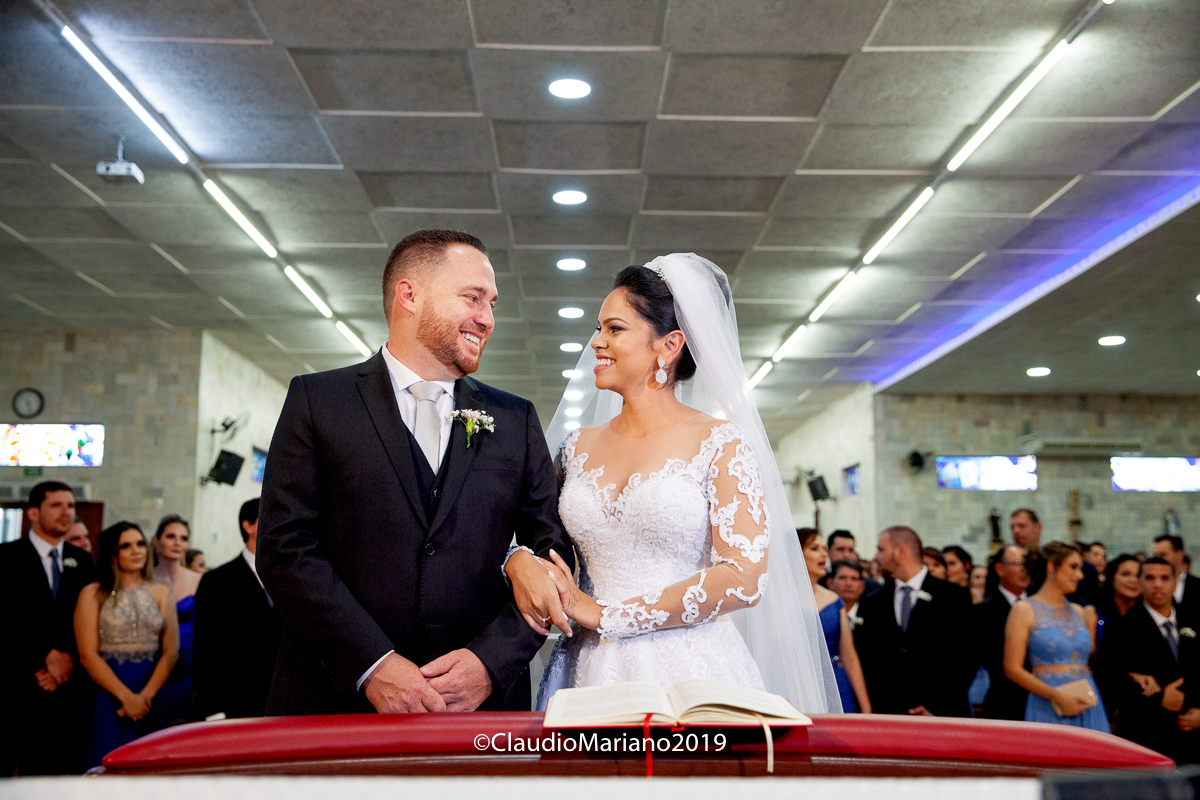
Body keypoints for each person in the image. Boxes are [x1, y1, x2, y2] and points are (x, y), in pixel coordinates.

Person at [259, 229, 574, 715]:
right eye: (472, 297)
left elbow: (551, 555)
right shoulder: (318, 402)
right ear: (409, 295)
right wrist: (372, 665)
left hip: (478, 711)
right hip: (336, 701)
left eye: (492, 303)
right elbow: (285, 549)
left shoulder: (515, 419)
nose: (488, 318)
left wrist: (490, 663)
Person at [530, 254, 841, 713]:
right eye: (598, 328)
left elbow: (743, 578)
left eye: (614, 329)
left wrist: (609, 616)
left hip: (687, 664)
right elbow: (540, 541)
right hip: (584, 662)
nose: (596, 342)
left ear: (669, 345)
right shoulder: (574, 448)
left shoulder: (720, 442)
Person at [0, 482, 96, 775]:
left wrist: (65, 659)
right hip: (16, 683)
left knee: (54, 774)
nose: (66, 512)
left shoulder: (82, 561)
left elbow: (87, 619)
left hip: (66, 686)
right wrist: (42, 657)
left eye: (71, 505)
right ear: (33, 512)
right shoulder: (6, 557)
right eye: (56, 505)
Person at [74, 522, 178, 768]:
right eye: (126, 546)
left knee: (150, 766)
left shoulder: (161, 592)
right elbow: (88, 655)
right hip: (108, 691)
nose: (136, 551)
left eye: (140, 544)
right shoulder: (92, 593)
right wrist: (126, 698)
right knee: (106, 761)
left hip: (152, 689)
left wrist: (144, 697)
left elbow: (171, 651)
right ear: (113, 552)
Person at [854, 525, 974, 717]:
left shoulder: (954, 596)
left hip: (942, 715)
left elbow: (966, 657)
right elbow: (866, 660)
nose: (876, 557)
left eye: (881, 550)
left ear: (901, 551)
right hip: (888, 715)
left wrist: (935, 707)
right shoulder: (872, 601)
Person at [1097, 558, 1198, 765]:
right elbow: (1108, 680)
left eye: (1165, 578)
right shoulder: (1121, 627)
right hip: (1146, 738)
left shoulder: (1195, 620)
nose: (1158, 584)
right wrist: (1159, 699)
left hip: (1194, 740)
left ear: (1175, 583)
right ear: (1141, 583)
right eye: (1150, 578)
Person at [193, 497, 283, 719]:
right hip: (235, 702)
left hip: (282, 703)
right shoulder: (217, 580)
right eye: (270, 517)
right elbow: (206, 648)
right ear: (248, 525)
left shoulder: (290, 578)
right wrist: (213, 709)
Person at [1003, 542, 1108, 732]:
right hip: (1047, 705)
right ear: (1051, 566)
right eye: (1073, 567)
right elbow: (1012, 668)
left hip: (1089, 704)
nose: (1080, 575)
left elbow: (1092, 661)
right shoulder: (1024, 609)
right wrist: (1056, 696)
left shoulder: (1080, 612)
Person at [799, 530, 870, 712]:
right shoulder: (777, 601)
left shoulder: (834, 600)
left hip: (836, 684)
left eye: (824, 548)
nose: (823, 554)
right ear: (795, 553)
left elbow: (849, 656)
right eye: (814, 548)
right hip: (797, 682)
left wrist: (866, 708)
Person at [152, 514, 199, 723]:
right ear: (156, 540)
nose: (177, 543)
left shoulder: (199, 581)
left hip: (189, 667)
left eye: (183, 538)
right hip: (152, 664)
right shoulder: (144, 580)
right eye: (171, 536)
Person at [976, 545, 1031, 721]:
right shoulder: (983, 612)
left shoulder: (1039, 605)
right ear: (1000, 569)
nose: (1024, 570)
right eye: (1018, 564)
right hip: (1004, 703)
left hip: (1041, 700)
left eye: (1027, 564)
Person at [1095, 554, 1141, 643]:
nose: (1133, 580)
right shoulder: (1097, 615)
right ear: (1112, 577)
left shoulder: (1147, 615)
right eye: (1125, 574)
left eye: (1138, 575)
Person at [1153, 535, 1198, 619]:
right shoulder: (1149, 587)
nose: (1158, 560)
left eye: (1163, 555)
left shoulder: (1197, 585)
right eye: (1155, 556)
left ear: (1179, 555)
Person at [830, 559, 866, 627]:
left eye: (854, 579)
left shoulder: (873, 615)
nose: (848, 584)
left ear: (862, 586)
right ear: (830, 583)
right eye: (842, 578)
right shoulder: (821, 613)